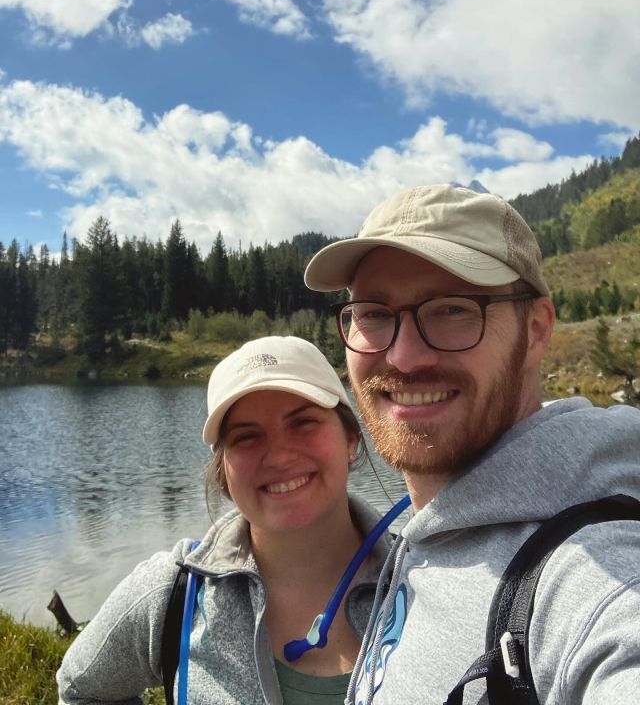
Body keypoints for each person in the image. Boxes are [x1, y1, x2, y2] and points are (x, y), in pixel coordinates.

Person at [304, 183, 640, 704]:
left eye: (452, 309)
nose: (404, 356)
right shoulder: (426, 528)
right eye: (373, 312)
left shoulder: (593, 572)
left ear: (536, 329)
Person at [57, 335, 394, 705]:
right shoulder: (172, 594)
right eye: (246, 437)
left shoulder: (425, 577)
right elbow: (80, 688)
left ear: (350, 439)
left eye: (304, 423)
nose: (279, 455)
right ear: (224, 473)